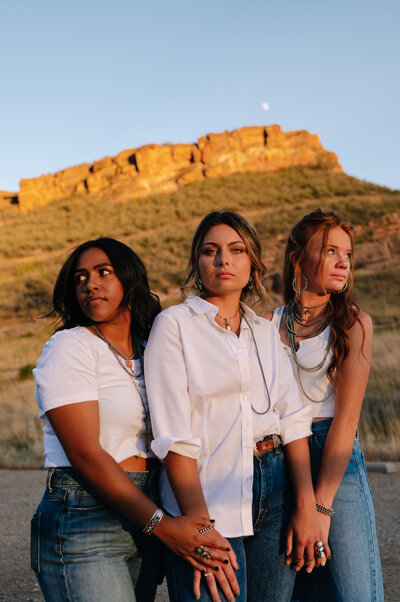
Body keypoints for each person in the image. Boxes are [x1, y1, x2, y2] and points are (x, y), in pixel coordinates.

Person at [31, 237, 235, 602]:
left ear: (129, 279)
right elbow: (85, 455)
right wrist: (163, 526)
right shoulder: (70, 345)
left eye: (103, 273)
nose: (89, 284)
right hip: (85, 514)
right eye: (79, 278)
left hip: (144, 511)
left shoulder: (150, 346)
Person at [144, 211, 323, 602]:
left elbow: (292, 420)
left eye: (236, 250)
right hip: (207, 496)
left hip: (276, 492)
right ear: (198, 263)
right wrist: (200, 526)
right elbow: (173, 436)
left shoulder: (263, 330)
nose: (224, 260)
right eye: (211, 251)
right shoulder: (175, 325)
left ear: (252, 262)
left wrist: (307, 506)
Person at [264, 209, 384, 601]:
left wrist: (320, 507)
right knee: (297, 586)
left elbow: (345, 425)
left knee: (353, 591)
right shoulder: (266, 325)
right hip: (282, 461)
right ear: (297, 258)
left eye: (347, 253)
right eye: (330, 250)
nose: (342, 262)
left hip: (335, 460)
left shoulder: (353, 324)